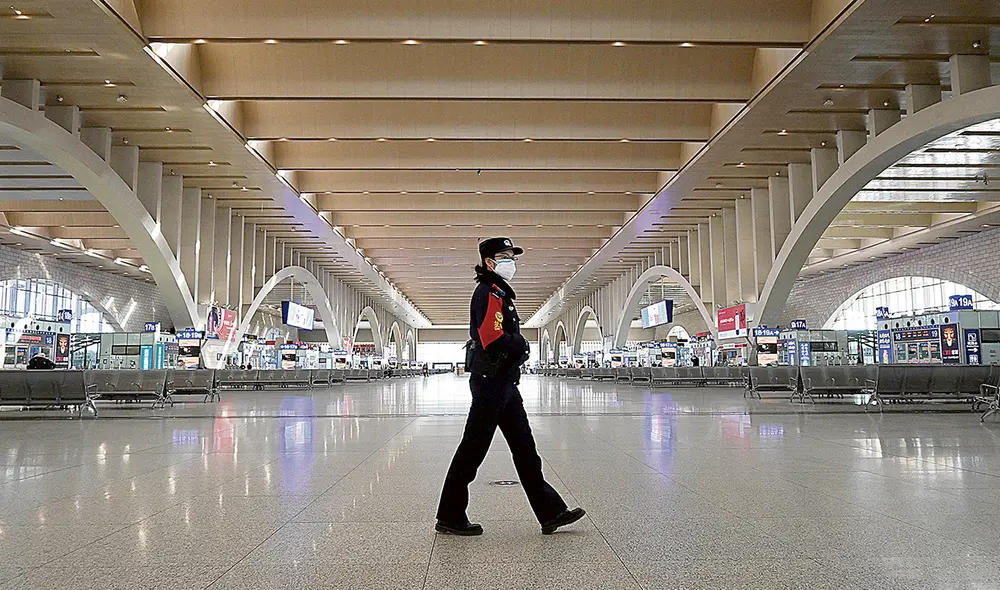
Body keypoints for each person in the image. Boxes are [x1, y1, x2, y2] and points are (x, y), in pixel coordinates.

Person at [436, 237, 585, 536]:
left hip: (503, 383)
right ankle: (450, 515)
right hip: (491, 384)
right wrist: (521, 343)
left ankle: (550, 512)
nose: (511, 262)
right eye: (504, 256)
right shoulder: (489, 292)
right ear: (489, 262)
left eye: (512, 256)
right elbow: (491, 337)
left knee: (526, 450)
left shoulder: (500, 292)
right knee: (473, 449)